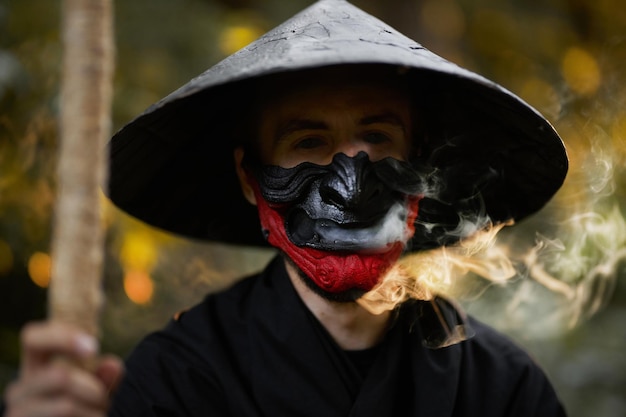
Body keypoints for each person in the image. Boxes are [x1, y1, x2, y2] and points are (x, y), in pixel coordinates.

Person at [3, 0, 570, 416]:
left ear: (419, 173)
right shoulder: (178, 380)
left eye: (377, 138)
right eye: (309, 143)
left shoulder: (500, 389)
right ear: (250, 179)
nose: (352, 181)